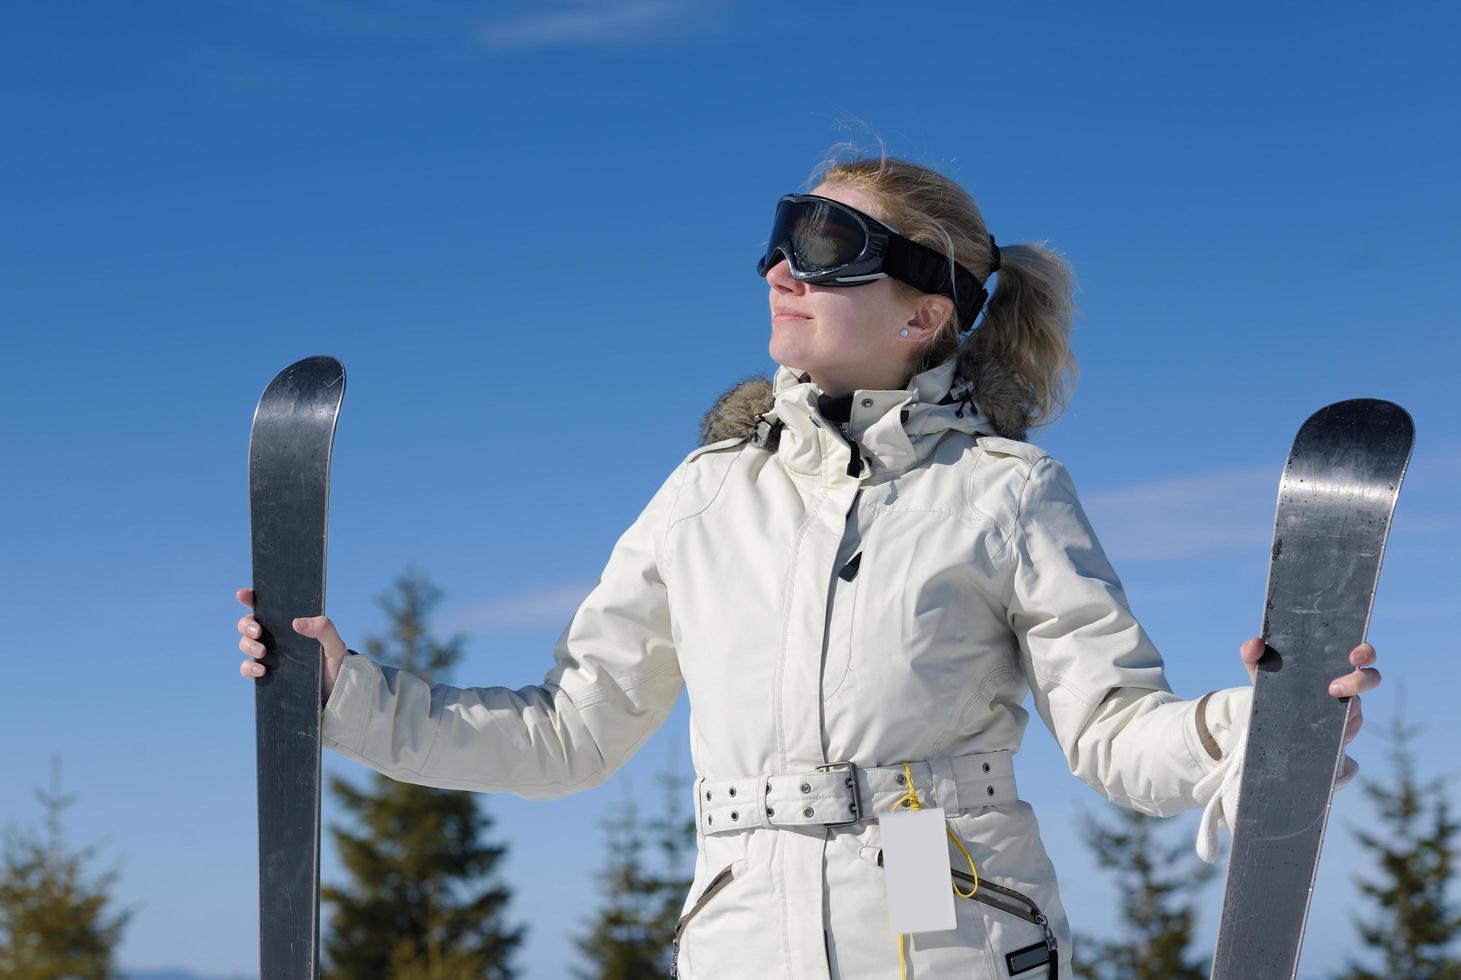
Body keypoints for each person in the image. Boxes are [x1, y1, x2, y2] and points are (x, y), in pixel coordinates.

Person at [235, 154, 1382, 979]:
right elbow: (570, 732)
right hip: (744, 940)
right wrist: (347, 697)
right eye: (786, 232)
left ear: (926, 311)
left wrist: (1249, 734)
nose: (785, 265)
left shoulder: (1006, 491)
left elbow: (1114, 729)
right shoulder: (706, 494)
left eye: (831, 247)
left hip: (954, 929)